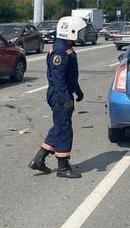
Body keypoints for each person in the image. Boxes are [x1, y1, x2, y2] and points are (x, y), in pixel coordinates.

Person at [28, 16, 86, 178]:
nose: (82, 35)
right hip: (59, 94)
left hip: (64, 92)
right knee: (65, 129)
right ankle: (63, 166)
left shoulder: (64, 47)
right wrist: (66, 99)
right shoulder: (61, 50)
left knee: (60, 126)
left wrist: (77, 91)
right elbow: (58, 77)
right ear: (71, 31)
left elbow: (70, 76)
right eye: (79, 31)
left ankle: (39, 159)